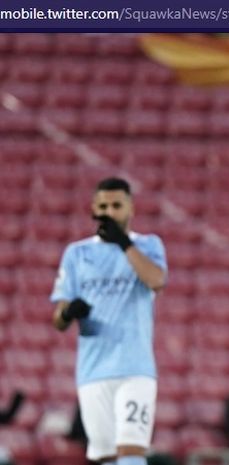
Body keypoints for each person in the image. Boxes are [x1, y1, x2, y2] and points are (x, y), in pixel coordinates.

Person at [51, 177, 167, 465]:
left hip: (135, 368)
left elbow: (156, 280)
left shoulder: (148, 244)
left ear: (131, 208)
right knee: (105, 457)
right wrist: (68, 313)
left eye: (117, 205)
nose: (110, 212)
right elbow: (58, 319)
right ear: (93, 208)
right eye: (103, 206)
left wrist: (123, 243)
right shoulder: (76, 253)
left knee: (131, 452)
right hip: (93, 370)